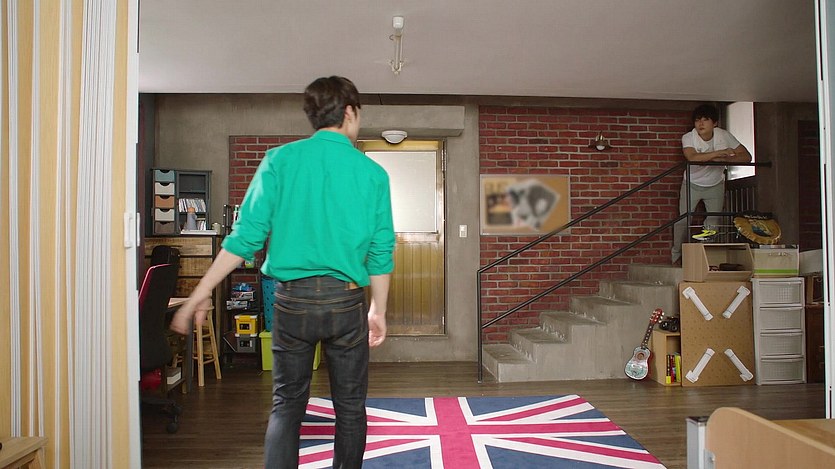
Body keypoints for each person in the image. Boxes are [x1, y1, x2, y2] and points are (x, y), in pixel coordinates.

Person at [170, 76, 395, 468]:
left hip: (291, 300)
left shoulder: (279, 160)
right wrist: (379, 309)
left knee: (287, 407)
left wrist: (201, 291)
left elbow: (245, 237)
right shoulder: (372, 174)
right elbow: (381, 250)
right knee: (350, 408)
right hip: (345, 301)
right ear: (349, 113)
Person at [671, 104, 751, 264]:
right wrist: (719, 153)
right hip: (692, 183)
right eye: (697, 120)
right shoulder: (689, 137)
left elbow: (746, 157)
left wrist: (724, 159)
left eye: (705, 120)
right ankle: (677, 256)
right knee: (683, 220)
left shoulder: (724, 135)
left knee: (713, 221)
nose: (700, 124)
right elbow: (692, 157)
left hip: (716, 184)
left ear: (714, 123)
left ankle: (705, 257)